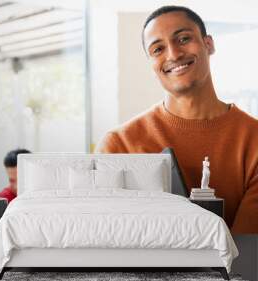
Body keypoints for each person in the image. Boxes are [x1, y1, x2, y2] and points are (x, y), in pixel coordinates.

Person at [96, 6, 258, 234]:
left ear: (208, 44)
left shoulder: (254, 140)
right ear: (151, 64)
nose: (173, 54)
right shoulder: (119, 145)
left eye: (183, 39)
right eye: (158, 49)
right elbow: (109, 236)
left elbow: (249, 250)